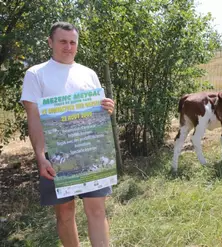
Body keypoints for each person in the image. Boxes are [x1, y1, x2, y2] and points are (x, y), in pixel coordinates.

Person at [20, 21, 114, 247]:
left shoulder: (88, 74)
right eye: (62, 41)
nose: (68, 46)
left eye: (73, 42)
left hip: (90, 150)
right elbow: (33, 118)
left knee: (97, 210)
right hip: (56, 155)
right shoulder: (36, 74)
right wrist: (41, 157)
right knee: (64, 213)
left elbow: (97, 113)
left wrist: (106, 108)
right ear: (50, 42)